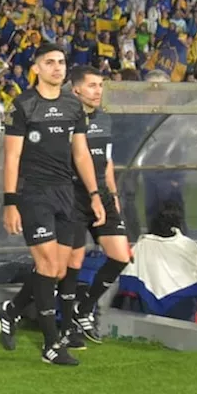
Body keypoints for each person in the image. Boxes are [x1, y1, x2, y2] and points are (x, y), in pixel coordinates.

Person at [0, 44, 104, 367]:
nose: (57, 68)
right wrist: (10, 202)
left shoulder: (73, 105)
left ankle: (10, 310)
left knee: (59, 267)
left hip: (65, 193)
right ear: (37, 68)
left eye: (61, 62)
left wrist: (94, 195)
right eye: (50, 63)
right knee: (47, 266)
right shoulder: (23, 105)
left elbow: (81, 154)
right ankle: (51, 345)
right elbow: (11, 157)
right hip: (33, 193)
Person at [64, 65, 133, 347]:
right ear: (76, 89)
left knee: (120, 256)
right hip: (74, 196)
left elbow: (106, 160)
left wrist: (112, 193)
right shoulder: (65, 119)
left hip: (102, 196)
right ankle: (66, 320)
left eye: (101, 85)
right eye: (92, 86)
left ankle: (84, 307)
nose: (98, 91)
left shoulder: (104, 119)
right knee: (72, 262)